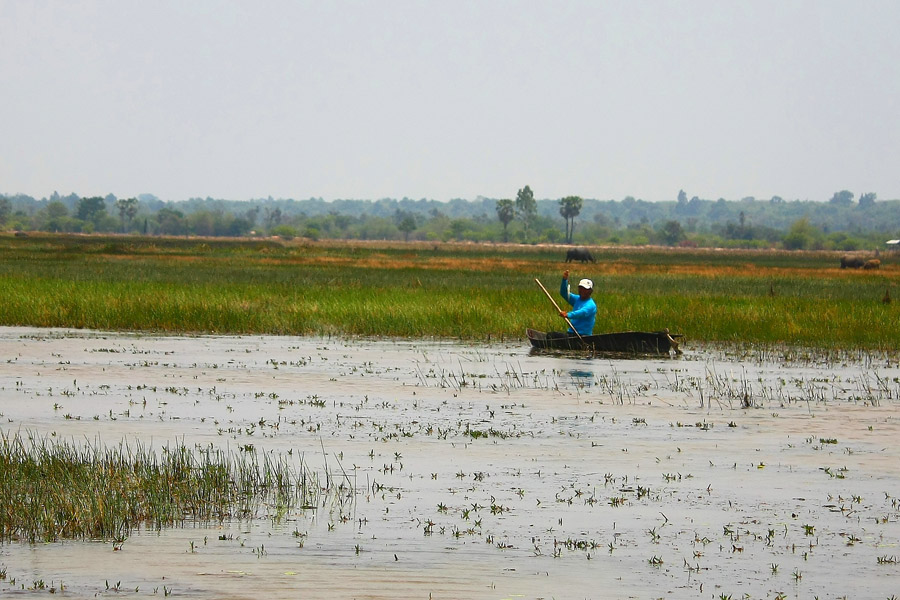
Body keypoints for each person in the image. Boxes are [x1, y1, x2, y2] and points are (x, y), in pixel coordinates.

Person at [551, 269, 597, 338]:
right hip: (571, 333)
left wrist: (568, 314)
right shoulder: (576, 299)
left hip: (583, 336)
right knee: (551, 335)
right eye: (580, 288)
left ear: (590, 291)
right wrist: (564, 280)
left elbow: (582, 313)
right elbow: (564, 293)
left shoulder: (591, 305)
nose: (582, 291)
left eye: (585, 289)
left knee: (551, 336)